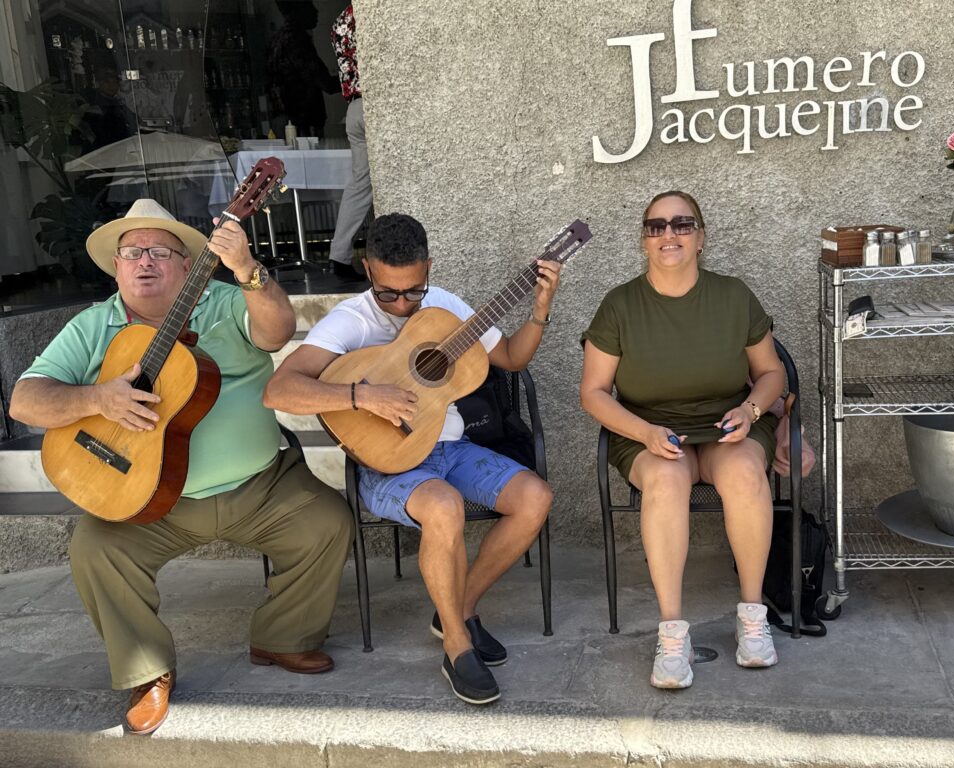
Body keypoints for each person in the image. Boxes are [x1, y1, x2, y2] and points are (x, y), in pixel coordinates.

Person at [9, 199, 354, 735]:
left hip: (258, 487)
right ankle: (147, 670)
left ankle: (281, 638)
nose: (143, 262)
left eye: (159, 252)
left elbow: (277, 331)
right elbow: (25, 400)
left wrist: (247, 271)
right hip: (148, 502)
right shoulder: (92, 325)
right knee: (95, 549)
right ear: (117, 266)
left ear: (188, 263)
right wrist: (97, 399)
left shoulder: (224, 300)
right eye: (131, 252)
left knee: (327, 522)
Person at [265, 213, 559, 705]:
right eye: (388, 293)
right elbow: (280, 390)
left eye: (413, 291)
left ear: (428, 268)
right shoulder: (351, 320)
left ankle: (457, 610)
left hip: (452, 448)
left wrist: (540, 308)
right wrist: (361, 396)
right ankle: (459, 646)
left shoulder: (444, 308)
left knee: (535, 497)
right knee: (444, 507)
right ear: (367, 270)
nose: (402, 305)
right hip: (389, 462)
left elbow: (510, 357)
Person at [579, 190, 786, 690]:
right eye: (656, 226)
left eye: (681, 224)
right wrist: (644, 432)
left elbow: (771, 372)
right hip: (648, 431)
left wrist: (751, 409)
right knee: (668, 482)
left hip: (726, 424)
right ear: (644, 241)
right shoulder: (620, 304)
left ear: (700, 238)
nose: (668, 234)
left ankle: (752, 617)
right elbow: (593, 393)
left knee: (743, 471)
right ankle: (672, 634)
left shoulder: (733, 295)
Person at [328, 2, 373, 282]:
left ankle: (339, 254)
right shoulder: (371, 14)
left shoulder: (342, 20)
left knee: (360, 185)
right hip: (375, 107)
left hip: (355, 108)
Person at [267, 0, 341, 138]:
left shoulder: (277, 40)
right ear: (297, 10)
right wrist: (356, 78)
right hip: (302, 124)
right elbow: (322, 81)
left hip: (286, 119)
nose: (315, 11)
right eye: (310, 6)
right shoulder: (296, 40)